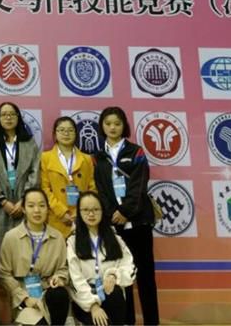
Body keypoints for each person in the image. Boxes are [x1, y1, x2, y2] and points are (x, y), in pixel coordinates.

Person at [93, 107, 160, 326]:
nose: (112, 128)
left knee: (146, 277)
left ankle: (152, 322)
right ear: (102, 126)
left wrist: (125, 211)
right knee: (123, 277)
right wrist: (113, 214)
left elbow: (139, 185)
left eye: (117, 123)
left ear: (124, 126)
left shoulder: (136, 151)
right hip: (115, 226)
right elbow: (101, 190)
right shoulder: (98, 157)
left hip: (139, 222)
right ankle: (127, 322)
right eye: (108, 123)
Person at [0, 187, 70, 326]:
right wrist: (24, 298)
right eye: (31, 206)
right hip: (23, 297)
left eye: (42, 205)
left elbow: (63, 268)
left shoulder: (58, 237)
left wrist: (59, 278)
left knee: (59, 295)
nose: (37, 210)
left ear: (48, 208)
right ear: (23, 209)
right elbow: (4, 273)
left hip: (49, 294)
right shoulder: (11, 237)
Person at [67, 192, 136, 326]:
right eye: (86, 210)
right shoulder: (72, 242)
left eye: (95, 209)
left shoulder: (114, 238)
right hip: (85, 300)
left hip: (110, 293)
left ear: (102, 211)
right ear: (79, 213)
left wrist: (114, 275)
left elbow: (129, 265)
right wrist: (93, 306)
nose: (91, 214)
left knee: (115, 292)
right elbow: (74, 279)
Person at [0, 102, 40, 247]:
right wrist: (3, 201)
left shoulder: (30, 143)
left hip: (25, 205)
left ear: (18, 117)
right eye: (4, 114)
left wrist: (24, 200)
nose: (8, 118)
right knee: (0, 249)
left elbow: (34, 172)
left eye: (12, 114)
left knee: (25, 248)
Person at [41, 115, 97, 238]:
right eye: (61, 130)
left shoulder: (87, 159)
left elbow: (92, 188)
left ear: (76, 134)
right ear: (55, 134)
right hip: (55, 217)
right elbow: (44, 189)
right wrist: (61, 212)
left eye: (70, 130)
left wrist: (81, 211)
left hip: (82, 217)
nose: (66, 133)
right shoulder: (45, 158)